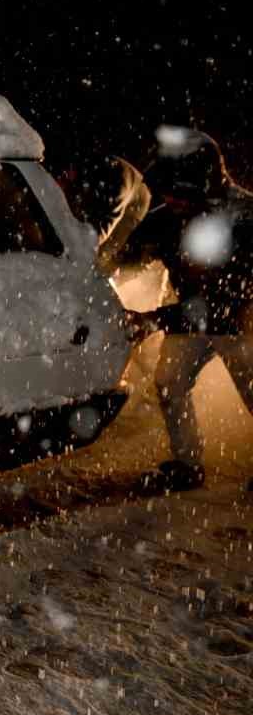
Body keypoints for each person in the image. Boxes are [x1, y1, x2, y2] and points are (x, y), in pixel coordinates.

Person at [116, 127, 253, 491]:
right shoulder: (168, 216)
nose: (170, 200)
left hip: (241, 323)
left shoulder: (244, 219)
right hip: (190, 319)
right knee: (169, 384)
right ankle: (187, 465)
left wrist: (157, 319)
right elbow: (132, 253)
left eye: (178, 194)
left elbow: (226, 300)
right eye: (166, 193)